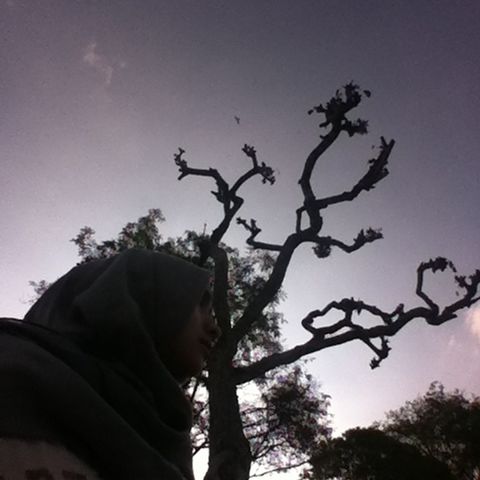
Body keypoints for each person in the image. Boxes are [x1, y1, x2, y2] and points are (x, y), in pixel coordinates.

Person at [0, 249, 220, 480]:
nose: (215, 329)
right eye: (200, 305)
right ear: (140, 297)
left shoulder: (167, 440)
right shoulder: (12, 376)